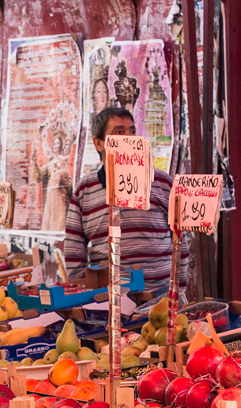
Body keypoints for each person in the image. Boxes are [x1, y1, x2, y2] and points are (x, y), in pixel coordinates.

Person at [62, 106, 174, 291]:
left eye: (132, 131)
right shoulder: (85, 189)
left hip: (160, 298)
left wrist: (178, 290)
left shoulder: (161, 182)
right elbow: (74, 249)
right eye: (119, 132)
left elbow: (180, 240)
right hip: (105, 299)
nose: (129, 138)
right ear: (99, 143)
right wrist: (87, 292)